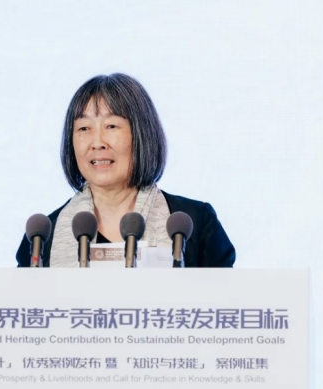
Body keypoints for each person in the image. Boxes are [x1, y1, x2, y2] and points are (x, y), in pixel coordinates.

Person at [16, 73, 235, 267]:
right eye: (84, 128)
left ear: (141, 134)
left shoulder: (193, 224)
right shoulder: (41, 239)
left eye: (111, 126)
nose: (97, 143)